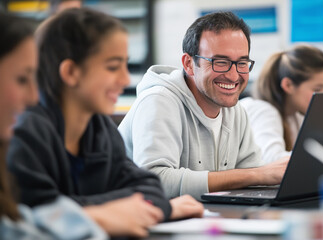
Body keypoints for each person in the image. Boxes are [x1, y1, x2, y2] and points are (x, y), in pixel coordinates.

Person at [6, 8, 203, 238]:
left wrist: (110, 211)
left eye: (125, 65)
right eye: (112, 67)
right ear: (71, 72)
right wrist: (113, 211)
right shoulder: (24, 134)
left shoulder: (101, 129)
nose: (125, 79)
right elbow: (39, 216)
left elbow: (151, 190)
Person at [118, 11, 288, 200]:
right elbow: (155, 181)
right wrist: (258, 174)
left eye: (242, 63)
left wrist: (282, 171)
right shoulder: (159, 101)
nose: (233, 76)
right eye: (220, 62)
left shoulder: (235, 111)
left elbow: (251, 178)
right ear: (189, 63)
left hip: (204, 220)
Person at [0, 11, 106, 239]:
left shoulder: (100, 125)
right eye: (21, 79)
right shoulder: (29, 132)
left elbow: (22, 224)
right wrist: (99, 215)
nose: (32, 97)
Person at [240, 45, 323, 164]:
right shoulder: (264, 111)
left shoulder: (295, 115)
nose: (322, 95)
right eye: (317, 89)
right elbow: (271, 160)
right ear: (288, 85)